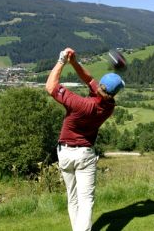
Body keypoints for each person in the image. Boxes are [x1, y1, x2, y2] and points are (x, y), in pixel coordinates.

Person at [45, 47, 125, 231]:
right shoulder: (109, 106)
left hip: (65, 154)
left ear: (100, 87)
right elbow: (88, 79)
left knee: (73, 199)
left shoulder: (80, 104)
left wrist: (61, 60)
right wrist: (74, 62)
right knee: (86, 200)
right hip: (85, 155)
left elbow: (50, 86)